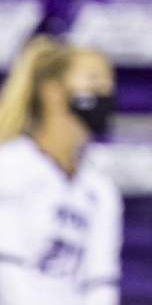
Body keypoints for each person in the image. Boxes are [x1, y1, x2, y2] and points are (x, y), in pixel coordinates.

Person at [0, 37, 122, 305]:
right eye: (93, 80)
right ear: (52, 91)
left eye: (109, 83)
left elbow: (101, 281)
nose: (105, 90)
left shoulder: (100, 189)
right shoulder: (8, 167)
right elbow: (7, 273)